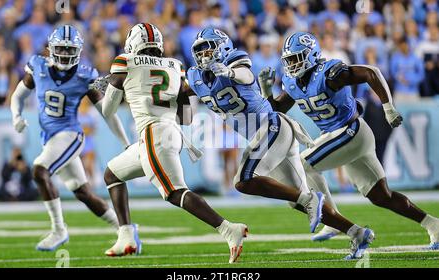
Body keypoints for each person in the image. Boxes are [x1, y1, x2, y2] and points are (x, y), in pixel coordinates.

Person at [186, 27, 374, 259]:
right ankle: (357, 232)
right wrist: (182, 119)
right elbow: (185, 95)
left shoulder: (234, 60)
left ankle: (309, 198)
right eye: (200, 51)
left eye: (208, 49)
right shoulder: (195, 75)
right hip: (266, 137)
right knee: (297, 201)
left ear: (222, 47)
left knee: (243, 181)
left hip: (272, 127)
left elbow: (245, 74)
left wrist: (228, 73)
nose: (204, 55)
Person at [260, 32, 439, 249]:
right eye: (288, 60)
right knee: (381, 196)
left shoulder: (329, 73)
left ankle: (331, 218)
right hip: (343, 136)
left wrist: (388, 108)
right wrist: (266, 91)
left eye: (296, 58)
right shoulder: (292, 81)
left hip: (350, 131)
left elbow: (371, 73)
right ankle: (433, 225)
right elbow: (277, 109)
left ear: (311, 55)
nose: (292, 64)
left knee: (304, 164)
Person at [99, 23, 248, 264]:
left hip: (152, 134)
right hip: (171, 133)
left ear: (132, 44)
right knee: (112, 173)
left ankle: (228, 229)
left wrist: (115, 88)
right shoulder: (176, 66)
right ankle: (126, 236)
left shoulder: (125, 61)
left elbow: (107, 110)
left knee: (174, 192)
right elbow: (186, 117)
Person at [9, 25, 131, 251]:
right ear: (51, 49)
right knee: (83, 193)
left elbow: (107, 112)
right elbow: (18, 95)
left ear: (78, 51)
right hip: (51, 137)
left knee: (39, 169)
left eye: (69, 50)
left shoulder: (85, 75)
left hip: (70, 135)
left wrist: (125, 142)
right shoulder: (37, 66)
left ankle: (58, 230)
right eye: (61, 49)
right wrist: (16, 115)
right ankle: (126, 230)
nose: (65, 54)